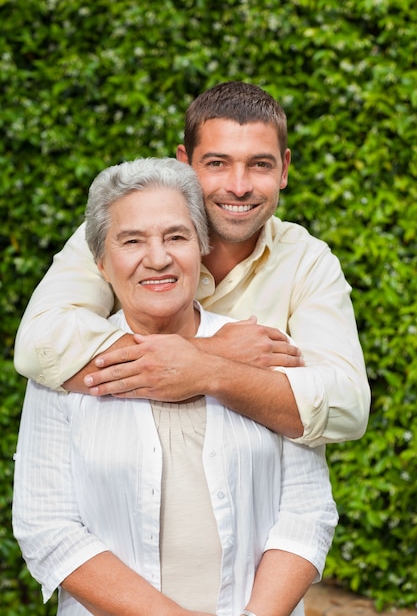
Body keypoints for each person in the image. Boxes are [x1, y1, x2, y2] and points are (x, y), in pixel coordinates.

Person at [13, 157, 338, 616]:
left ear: (201, 248)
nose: (159, 257)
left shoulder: (263, 349)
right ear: (102, 264)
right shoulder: (70, 370)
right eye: (132, 241)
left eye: (176, 236)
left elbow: (307, 515)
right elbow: (47, 528)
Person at [13, 81, 370, 445]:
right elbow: (38, 345)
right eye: (217, 163)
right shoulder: (120, 232)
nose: (239, 186)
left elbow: (346, 407)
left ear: (284, 169)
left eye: (260, 164)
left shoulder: (306, 261)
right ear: (184, 163)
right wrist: (218, 353)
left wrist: (210, 372)